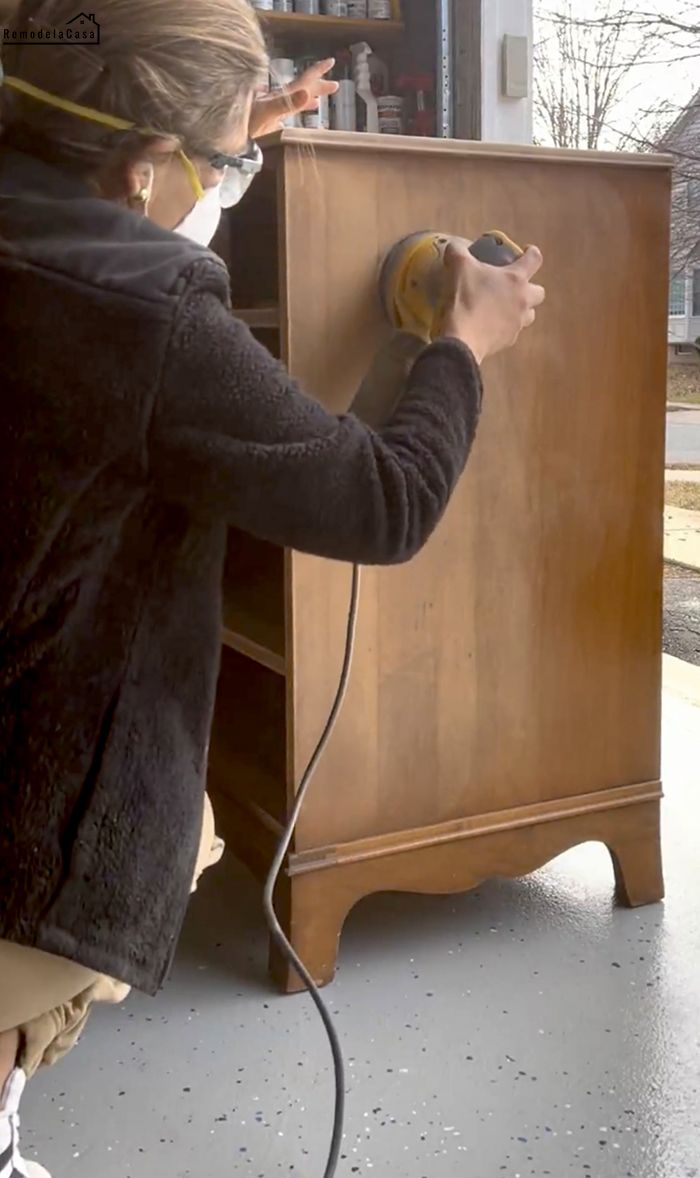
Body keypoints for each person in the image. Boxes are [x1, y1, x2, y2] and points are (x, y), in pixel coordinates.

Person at [0, 1, 545, 1173]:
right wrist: (461, 345)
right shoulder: (153, 318)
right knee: (176, 823)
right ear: (146, 161)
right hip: (16, 822)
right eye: (213, 158)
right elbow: (382, 500)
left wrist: (230, 139)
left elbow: (119, 209)